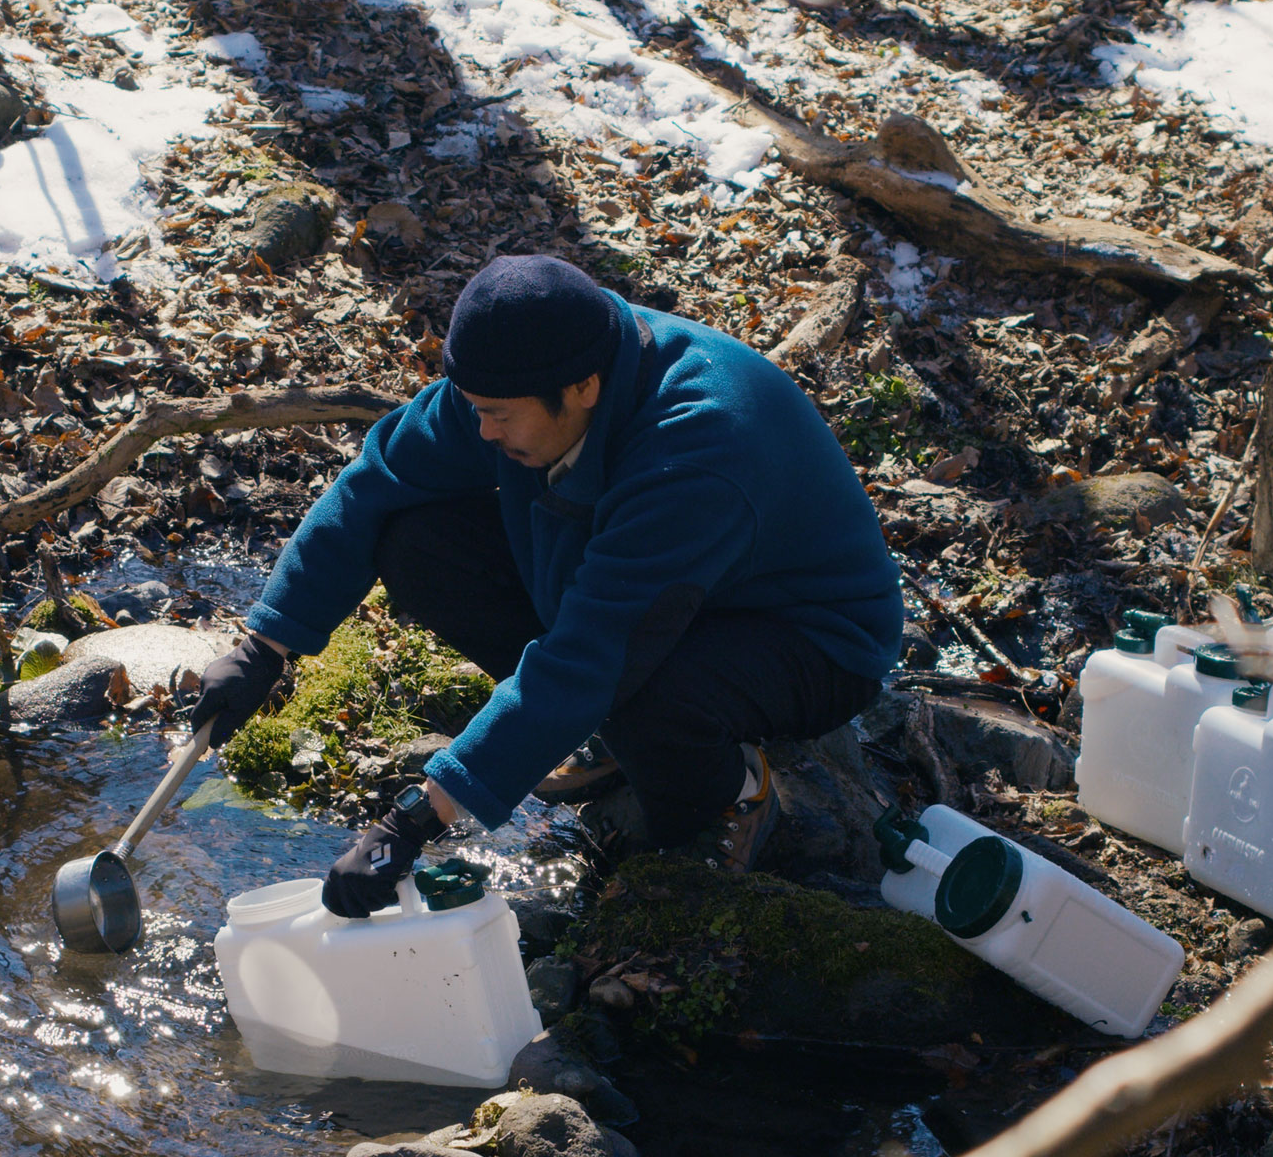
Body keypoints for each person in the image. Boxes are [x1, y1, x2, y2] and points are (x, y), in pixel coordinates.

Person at [191, 253, 903, 916]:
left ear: (583, 389)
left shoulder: (696, 450)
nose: (483, 429)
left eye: (499, 415)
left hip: (810, 637)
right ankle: (598, 740)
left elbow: (594, 654)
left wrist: (415, 818)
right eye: (473, 406)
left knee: (646, 697)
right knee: (415, 542)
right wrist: (266, 646)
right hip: (669, 590)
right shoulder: (524, 373)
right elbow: (375, 484)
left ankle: (735, 795)